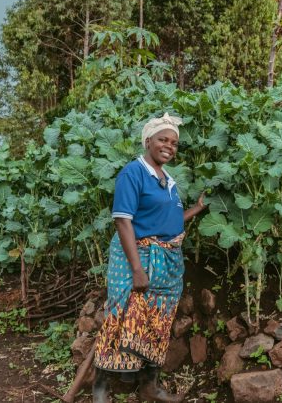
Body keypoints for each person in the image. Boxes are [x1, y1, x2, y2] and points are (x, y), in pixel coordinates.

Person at [91, 113, 206, 403]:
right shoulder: (134, 172)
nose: (169, 146)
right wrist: (138, 269)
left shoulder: (168, 180)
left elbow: (170, 220)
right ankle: (100, 388)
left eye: (174, 143)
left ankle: (150, 387)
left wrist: (197, 209)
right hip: (137, 257)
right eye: (163, 140)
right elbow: (123, 221)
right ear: (148, 141)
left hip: (167, 260)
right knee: (121, 317)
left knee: (158, 319)